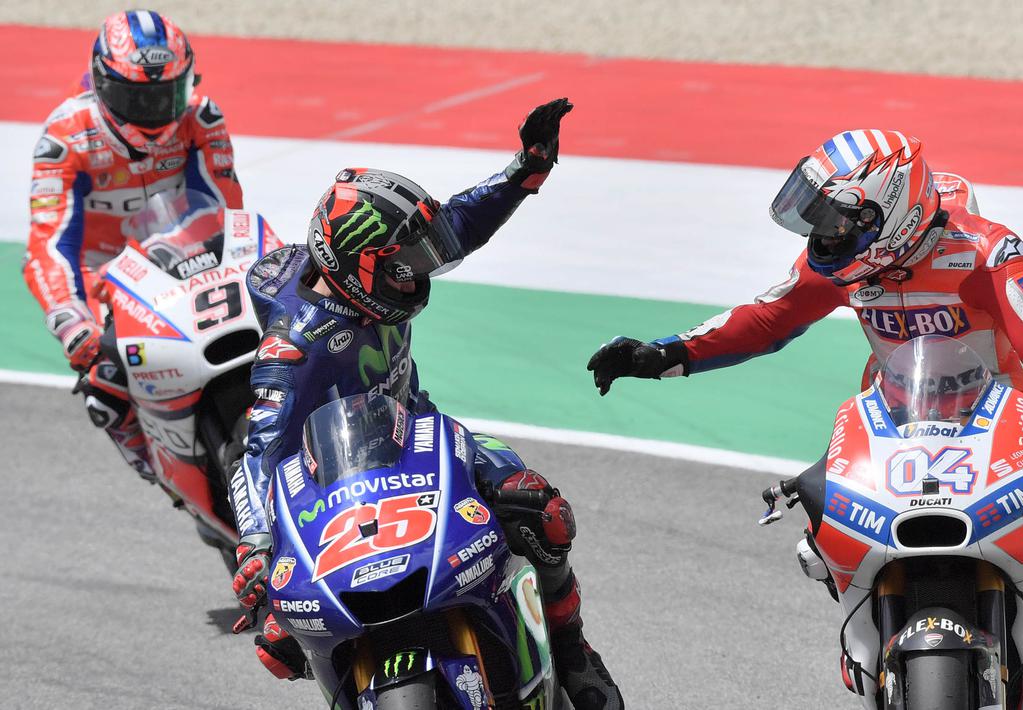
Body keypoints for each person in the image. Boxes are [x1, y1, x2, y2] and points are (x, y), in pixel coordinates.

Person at [587, 130, 1023, 709]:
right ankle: (872, 630)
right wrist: (664, 354)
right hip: (897, 418)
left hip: (1003, 415)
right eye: (817, 219)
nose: (824, 235)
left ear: (892, 210)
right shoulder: (847, 264)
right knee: (824, 530)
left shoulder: (989, 250)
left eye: (836, 219)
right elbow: (766, 318)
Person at [228, 98, 624, 709]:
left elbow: (456, 226)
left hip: (419, 433)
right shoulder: (296, 350)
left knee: (541, 510)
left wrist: (525, 172)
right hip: (332, 481)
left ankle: (573, 650)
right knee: (278, 638)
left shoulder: (367, 282)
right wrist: (255, 545)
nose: (419, 275)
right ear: (357, 265)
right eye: (404, 265)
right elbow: (256, 455)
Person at [22, 9, 243, 479]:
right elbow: (49, 244)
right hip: (109, 286)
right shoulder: (66, 138)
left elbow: (230, 213)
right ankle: (166, 474)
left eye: (168, 95)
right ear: (101, 83)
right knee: (105, 391)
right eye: (137, 98)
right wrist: (71, 321)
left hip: (191, 265)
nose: (156, 112)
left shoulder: (201, 118)